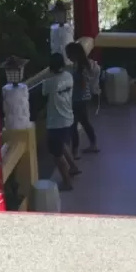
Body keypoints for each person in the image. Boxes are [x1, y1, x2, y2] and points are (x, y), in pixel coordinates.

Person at [42, 52, 81, 190]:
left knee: (57, 155)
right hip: (68, 118)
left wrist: (48, 75)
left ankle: (67, 183)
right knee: (63, 145)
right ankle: (74, 167)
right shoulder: (69, 76)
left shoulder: (50, 82)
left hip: (55, 123)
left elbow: (43, 93)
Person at [65, 41, 100, 154]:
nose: (68, 57)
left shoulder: (80, 68)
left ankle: (75, 150)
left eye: (69, 54)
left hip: (77, 100)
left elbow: (81, 84)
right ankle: (93, 144)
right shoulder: (86, 65)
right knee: (85, 122)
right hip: (83, 99)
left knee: (74, 125)